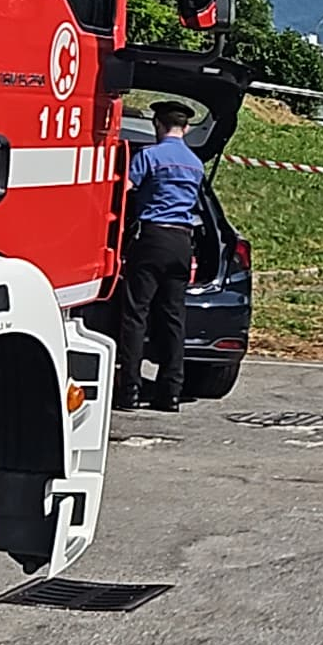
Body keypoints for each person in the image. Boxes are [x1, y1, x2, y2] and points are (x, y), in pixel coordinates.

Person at [114, 101, 206, 413]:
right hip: (182, 242)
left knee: (136, 314)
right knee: (173, 318)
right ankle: (170, 394)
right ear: (186, 128)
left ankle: (129, 390)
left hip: (152, 238)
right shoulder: (196, 164)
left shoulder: (149, 156)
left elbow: (125, 190)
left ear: (157, 124)